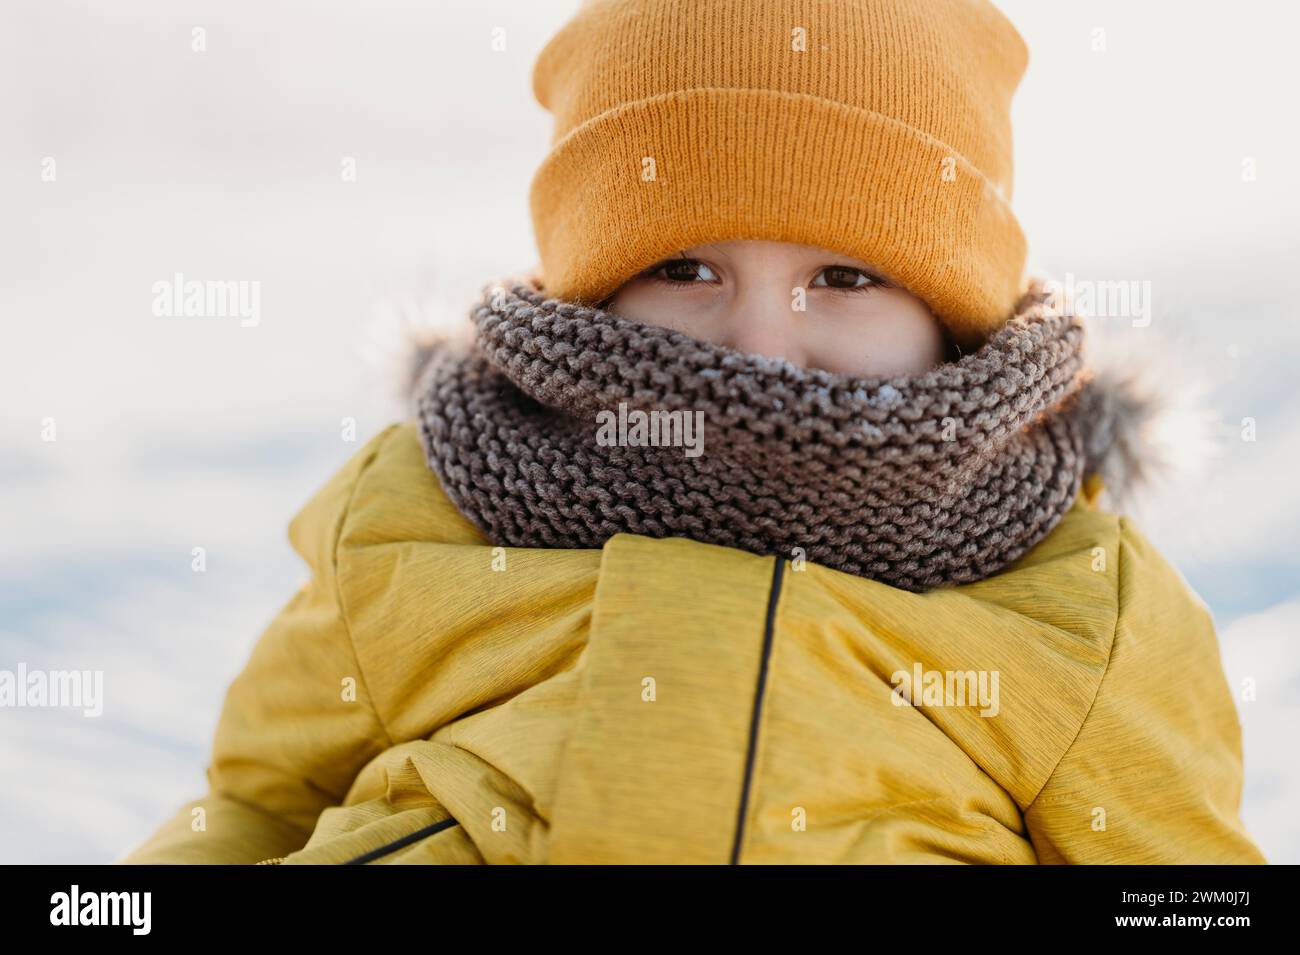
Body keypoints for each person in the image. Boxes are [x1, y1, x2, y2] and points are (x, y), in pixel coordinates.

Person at [118, 0, 1266, 864]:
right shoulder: (423, 510)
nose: (757, 342)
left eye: (847, 275)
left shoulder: (1074, 602)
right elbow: (255, 807)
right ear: (591, 292)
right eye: (683, 266)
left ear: (952, 318)